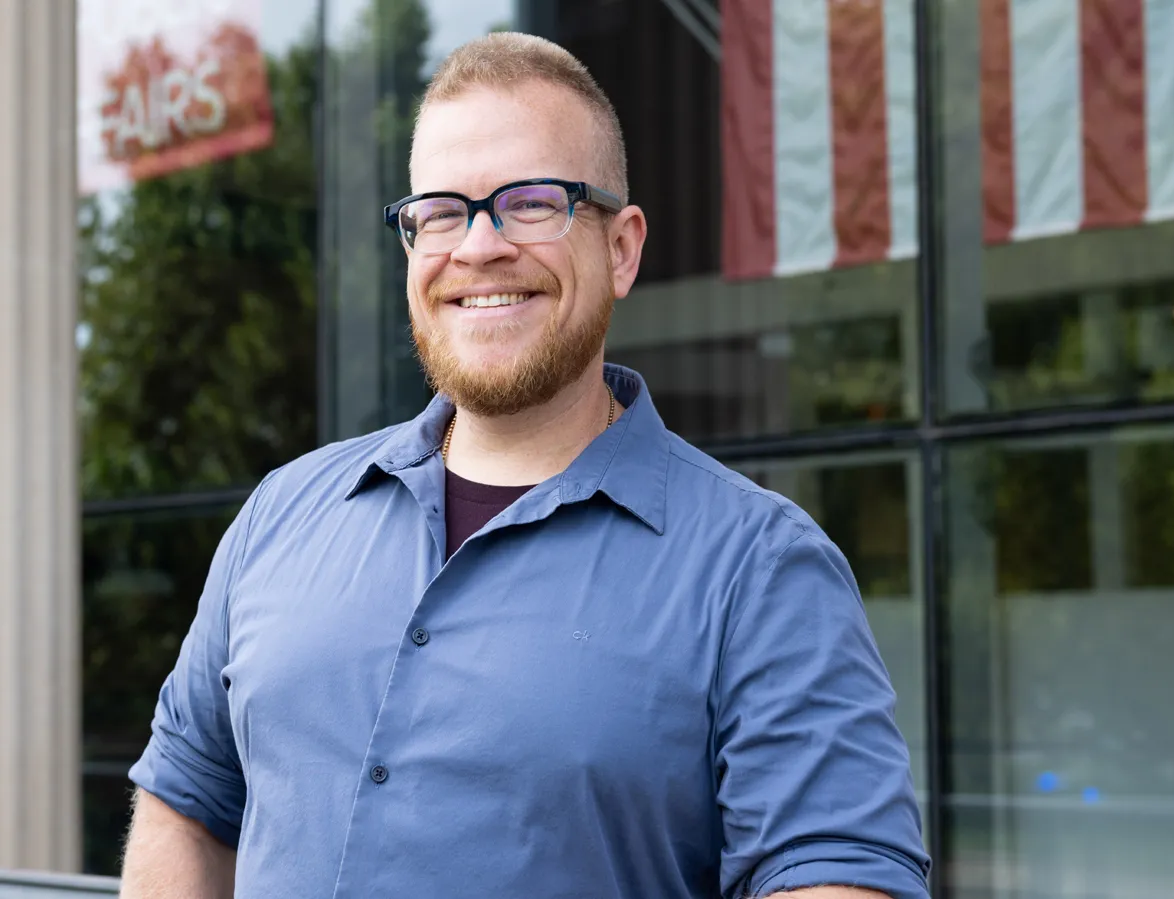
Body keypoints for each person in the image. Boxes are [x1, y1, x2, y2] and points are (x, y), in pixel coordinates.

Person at [120, 32, 931, 899]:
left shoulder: (760, 568)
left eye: (531, 202)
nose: (478, 246)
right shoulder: (283, 513)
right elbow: (187, 804)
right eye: (439, 210)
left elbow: (834, 877)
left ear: (621, 249)